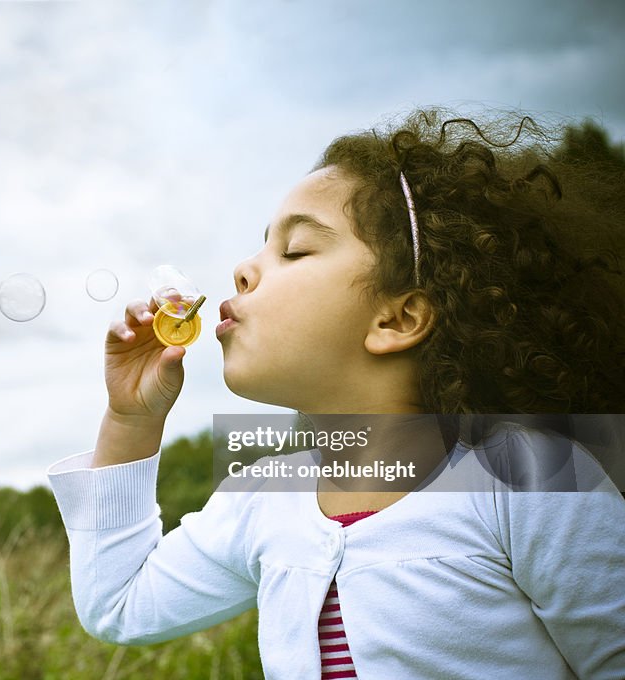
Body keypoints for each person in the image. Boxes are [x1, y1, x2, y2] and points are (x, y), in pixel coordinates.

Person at [46, 108, 625, 679]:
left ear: (397, 320)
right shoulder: (262, 501)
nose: (245, 269)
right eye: (262, 247)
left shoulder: (529, 480)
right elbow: (118, 605)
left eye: (294, 250)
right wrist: (131, 420)